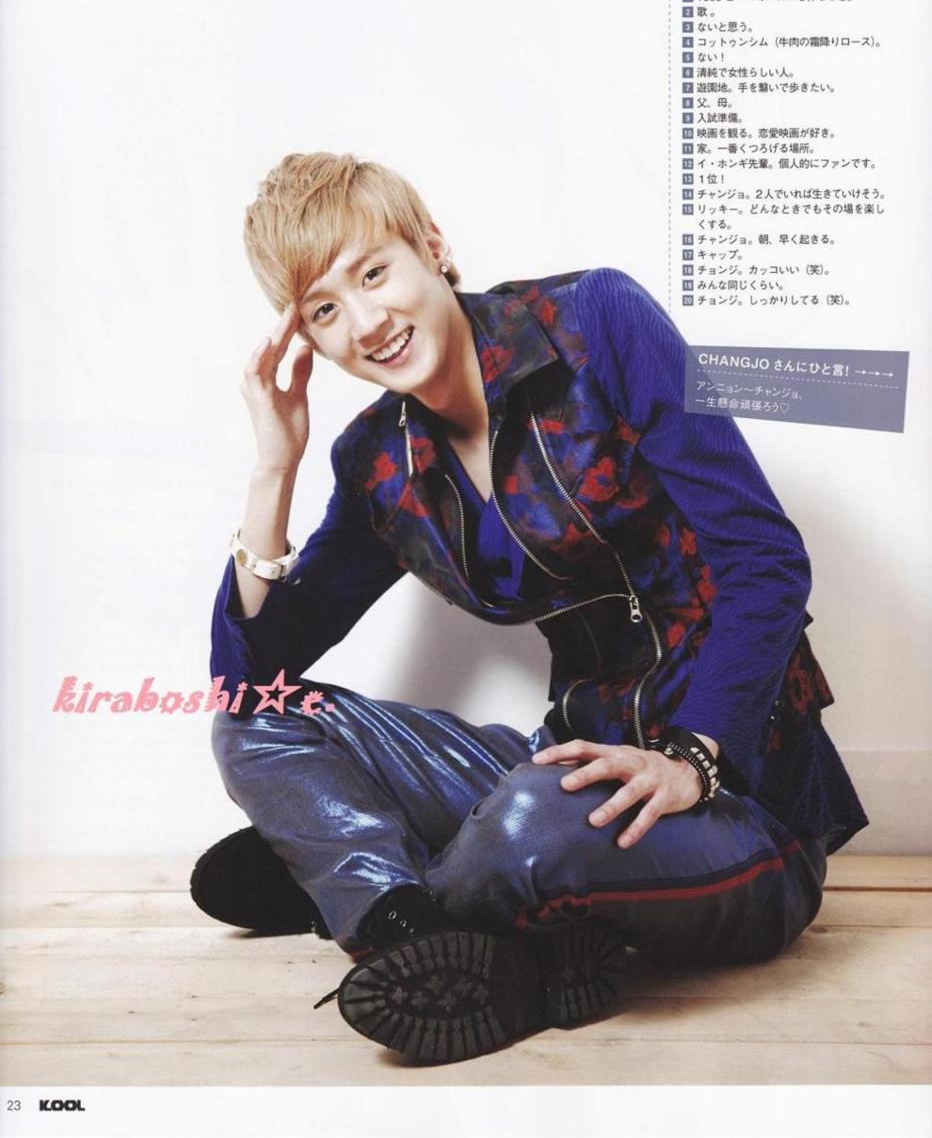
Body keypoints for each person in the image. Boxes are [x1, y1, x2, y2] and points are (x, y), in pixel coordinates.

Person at [192, 151, 868, 1064]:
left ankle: (359, 884)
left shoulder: (594, 322)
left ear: (431, 244)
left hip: (731, 802)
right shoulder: (379, 463)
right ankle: (413, 928)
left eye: (374, 273)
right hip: (567, 768)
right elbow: (248, 680)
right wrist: (274, 467)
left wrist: (693, 758)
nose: (366, 322)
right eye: (324, 310)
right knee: (257, 724)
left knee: (532, 821)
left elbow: (766, 560)